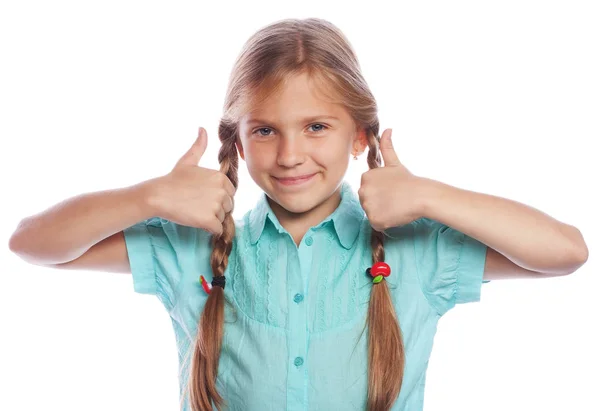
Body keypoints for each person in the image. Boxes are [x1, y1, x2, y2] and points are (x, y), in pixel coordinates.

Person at [8, 17, 589, 411]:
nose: (289, 155)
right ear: (237, 140)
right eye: (265, 130)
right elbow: (32, 243)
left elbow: (565, 253)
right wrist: (150, 198)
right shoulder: (195, 246)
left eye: (316, 126)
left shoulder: (417, 250)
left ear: (359, 135)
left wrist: (432, 197)